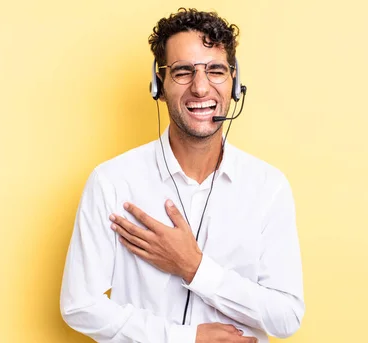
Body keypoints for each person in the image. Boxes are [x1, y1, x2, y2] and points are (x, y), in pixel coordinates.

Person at [60, 8, 305, 343]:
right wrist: (185, 338)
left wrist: (195, 267)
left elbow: (286, 316)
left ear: (234, 83)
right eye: (183, 72)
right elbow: (79, 305)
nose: (201, 87)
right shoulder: (112, 182)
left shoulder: (268, 187)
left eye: (215, 70)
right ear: (157, 84)